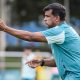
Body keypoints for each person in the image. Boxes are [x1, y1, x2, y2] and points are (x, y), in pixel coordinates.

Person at [0, 2, 80, 80]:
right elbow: (59, 61)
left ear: (57, 18)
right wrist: (42, 62)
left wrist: (5, 28)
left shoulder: (59, 31)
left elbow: (29, 37)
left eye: (47, 16)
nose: (44, 19)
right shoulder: (63, 31)